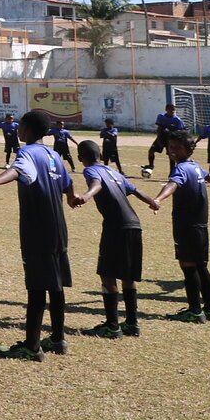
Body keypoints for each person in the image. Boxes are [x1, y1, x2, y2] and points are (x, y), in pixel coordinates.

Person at [0, 110, 84, 358]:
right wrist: (71, 197)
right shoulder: (53, 155)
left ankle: (32, 347)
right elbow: (67, 183)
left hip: (38, 228)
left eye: (20, 125)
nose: (17, 129)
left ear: (26, 129)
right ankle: (58, 339)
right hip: (59, 228)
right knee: (55, 285)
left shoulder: (27, 153)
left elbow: (18, 171)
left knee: (36, 286)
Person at [71, 139, 158, 336]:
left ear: (80, 158)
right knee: (128, 276)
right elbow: (135, 190)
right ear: (101, 155)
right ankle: (132, 323)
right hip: (134, 225)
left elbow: (97, 184)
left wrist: (85, 197)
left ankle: (112, 326)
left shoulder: (90, 170)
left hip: (115, 226)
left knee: (107, 274)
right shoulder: (114, 171)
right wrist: (153, 202)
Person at [152, 129, 210, 324]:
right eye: (170, 147)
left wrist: (158, 198)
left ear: (188, 149)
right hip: (201, 225)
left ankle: (194, 311)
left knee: (188, 267)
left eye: (177, 148)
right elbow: (207, 175)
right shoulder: (195, 166)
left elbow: (172, 185)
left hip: (186, 225)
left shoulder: (181, 169)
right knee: (201, 266)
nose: (172, 151)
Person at [145, 104, 186, 174]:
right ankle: (151, 165)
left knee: (171, 155)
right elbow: (159, 129)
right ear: (166, 110)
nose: (172, 111)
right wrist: (159, 139)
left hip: (171, 139)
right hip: (161, 137)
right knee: (151, 151)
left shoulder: (177, 120)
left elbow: (181, 131)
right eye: (170, 110)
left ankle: (171, 172)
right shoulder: (161, 117)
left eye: (173, 110)